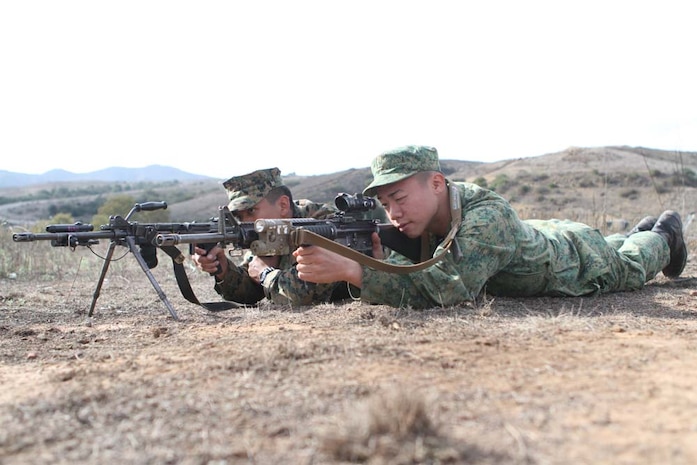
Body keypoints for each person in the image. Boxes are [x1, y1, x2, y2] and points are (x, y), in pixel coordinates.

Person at [293, 145, 688, 308]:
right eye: (385, 204)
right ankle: (636, 233)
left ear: (435, 184)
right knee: (615, 242)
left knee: (631, 266)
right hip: (544, 234)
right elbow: (413, 274)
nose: (393, 212)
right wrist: (376, 262)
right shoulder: (425, 216)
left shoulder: (486, 214)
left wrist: (355, 271)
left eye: (400, 198)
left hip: (573, 261)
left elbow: (452, 288)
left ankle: (662, 234)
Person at [192, 167, 354, 305]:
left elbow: (307, 294)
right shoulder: (265, 233)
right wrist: (223, 270)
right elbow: (251, 291)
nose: (245, 222)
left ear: (283, 205)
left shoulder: (321, 223)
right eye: (239, 217)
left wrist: (265, 274)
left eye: (251, 211)